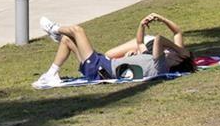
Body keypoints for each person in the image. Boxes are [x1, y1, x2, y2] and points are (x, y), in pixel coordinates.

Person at [35, 14, 193, 87]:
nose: (168, 52)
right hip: (102, 65)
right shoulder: (155, 61)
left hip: (100, 67)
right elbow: (140, 42)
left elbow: (159, 39)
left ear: (178, 60)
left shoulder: (161, 66)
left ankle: (54, 29)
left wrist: (178, 49)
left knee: (77, 31)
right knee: (67, 40)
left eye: (172, 54)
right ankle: (51, 74)